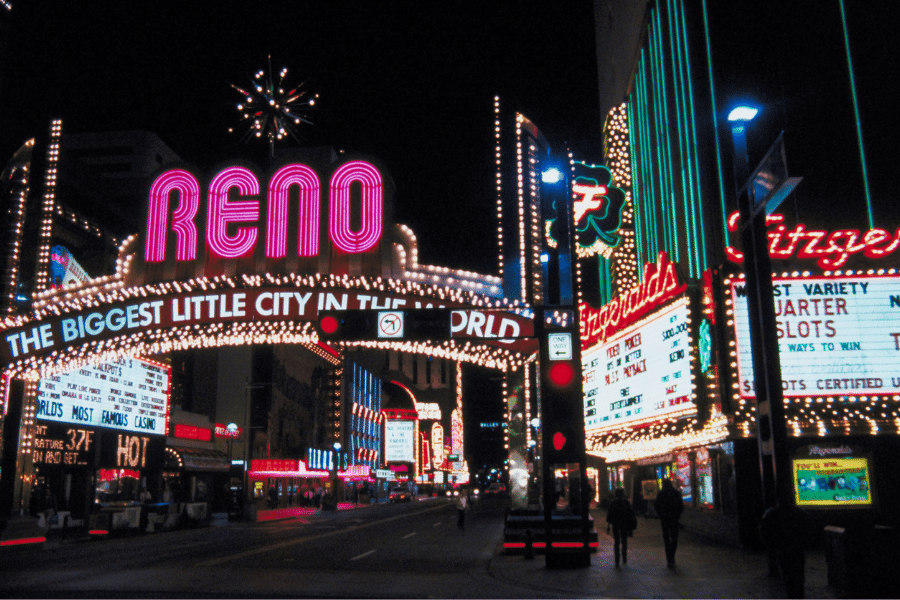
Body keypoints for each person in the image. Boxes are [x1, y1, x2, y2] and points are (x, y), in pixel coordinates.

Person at [760, 501, 809, 598]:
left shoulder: (771, 514)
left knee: (787, 577)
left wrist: (772, 547)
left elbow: (764, 532)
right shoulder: (800, 513)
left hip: (782, 551)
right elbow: (808, 530)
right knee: (799, 575)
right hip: (797, 550)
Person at [654, 478, 684, 568]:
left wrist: (661, 514)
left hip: (665, 519)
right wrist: (677, 514)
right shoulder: (676, 493)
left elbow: (656, 505)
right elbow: (681, 506)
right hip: (674, 518)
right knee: (674, 538)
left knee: (666, 538)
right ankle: (672, 556)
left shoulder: (661, 494)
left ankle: (669, 559)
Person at [605, 488, 635, 568]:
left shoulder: (613, 503)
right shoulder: (626, 503)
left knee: (617, 542)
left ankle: (617, 560)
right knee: (624, 541)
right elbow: (630, 515)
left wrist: (608, 526)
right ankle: (624, 557)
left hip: (615, 524)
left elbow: (609, 515)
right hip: (624, 524)